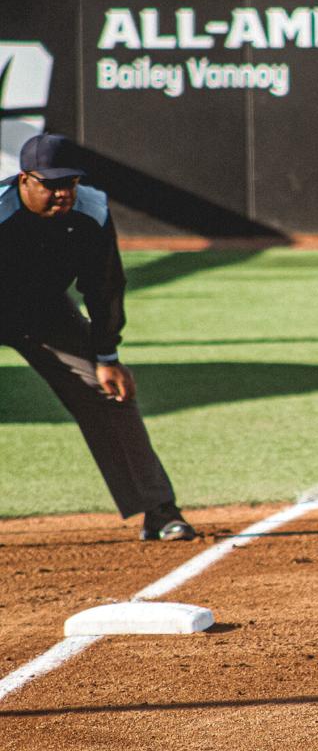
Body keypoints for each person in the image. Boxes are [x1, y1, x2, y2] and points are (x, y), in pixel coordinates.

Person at [0, 133, 195, 541]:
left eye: (68, 182)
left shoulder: (92, 210)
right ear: (23, 180)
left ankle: (159, 513)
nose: (62, 193)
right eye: (50, 184)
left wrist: (107, 356)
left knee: (110, 393)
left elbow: (104, 286)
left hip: (43, 312)